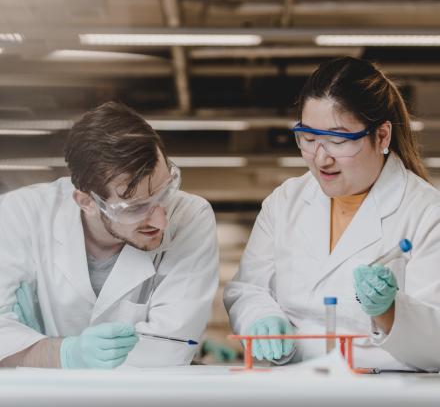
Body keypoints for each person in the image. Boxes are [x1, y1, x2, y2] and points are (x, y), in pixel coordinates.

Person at [224, 56, 440, 371]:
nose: (321, 159)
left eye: (338, 140)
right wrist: (260, 316)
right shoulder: (286, 201)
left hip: (384, 392)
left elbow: (436, 345)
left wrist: (391, 312)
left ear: (381, 136)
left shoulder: (426, 213)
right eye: (309, 139)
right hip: (292, 384)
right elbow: (248, 289)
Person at [0, 102, 219, 369]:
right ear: (87, 202)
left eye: (164, 193)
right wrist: (65, 354)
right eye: (136, 207)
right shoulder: (21, 214)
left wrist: (40, 352)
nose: (161, 221)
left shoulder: (190, 216)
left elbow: (169, 348)